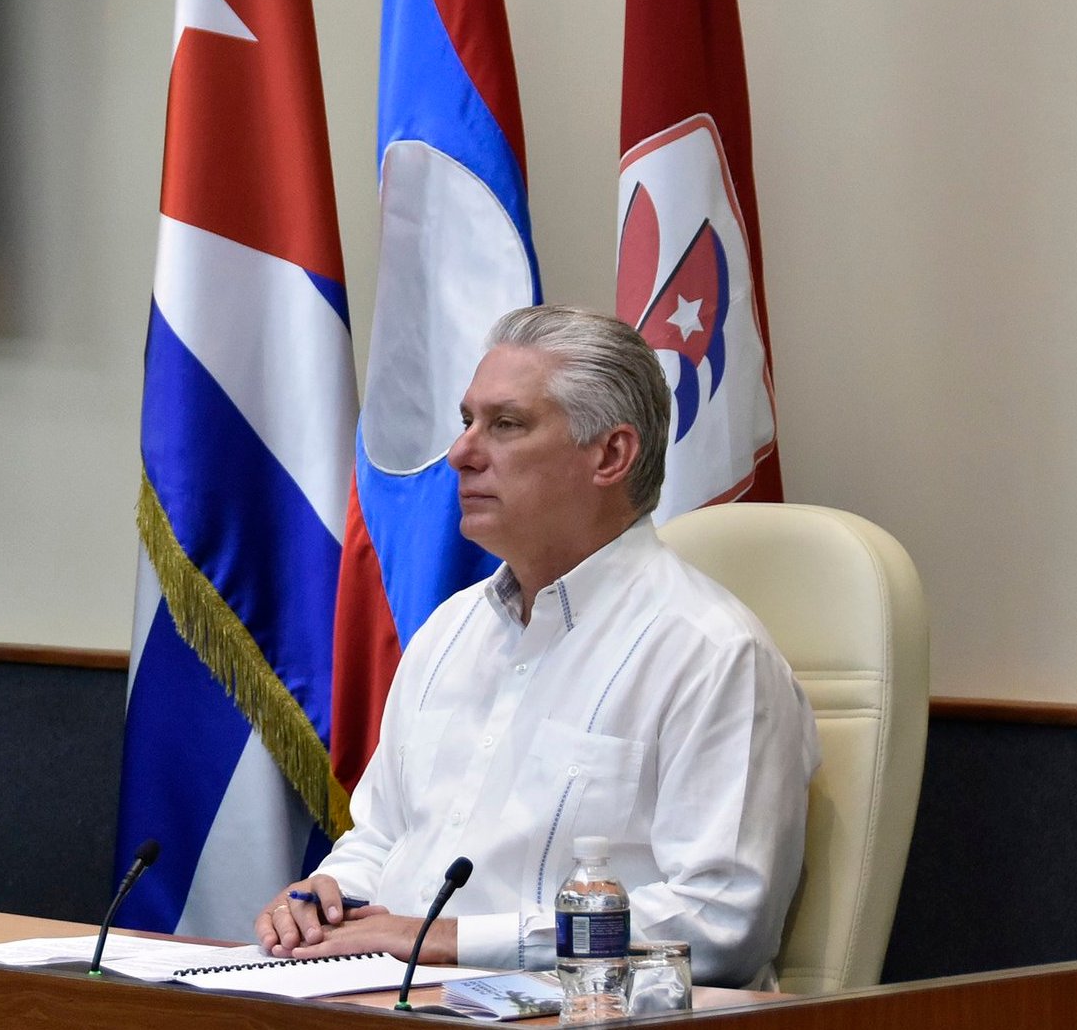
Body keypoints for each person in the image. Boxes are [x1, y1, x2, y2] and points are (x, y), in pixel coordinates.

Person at [257, 305, 818, 987]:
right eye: (466, 421)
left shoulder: (710, 654)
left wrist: (450, 941)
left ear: (610, 455)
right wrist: (325, 898)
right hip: (387, 997)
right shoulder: (449, 630)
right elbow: (381, 838)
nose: (461, 452)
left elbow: (720, 923)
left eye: (505, 425)